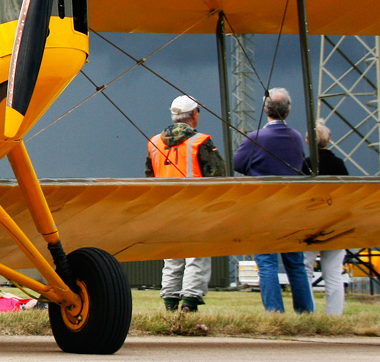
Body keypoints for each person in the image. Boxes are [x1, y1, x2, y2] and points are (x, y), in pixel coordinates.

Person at [233, 87, 315, 313]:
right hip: (290, 206)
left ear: (265, 109)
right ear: (288, 111)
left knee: (267, 263)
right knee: (295, 264)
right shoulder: (297, 137)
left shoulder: (255, 138)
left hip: (263, 207)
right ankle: (305, 312)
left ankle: (274, 312)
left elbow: (238, 164)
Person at [145, 95, 226, 313]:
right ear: (194, 115)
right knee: (196, 256)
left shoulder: (154, 142)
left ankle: (170, 304)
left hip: (166, 208)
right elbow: (218, 176)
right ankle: (189, 304)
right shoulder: (200, 141)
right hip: (195, 208)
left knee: (172, 256)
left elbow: (149, 176)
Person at [303, 119, 348, 315]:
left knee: (305, 271)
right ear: (328, 141)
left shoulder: (306, 165)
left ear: (308, 141)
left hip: (310, 224)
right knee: (334, 273)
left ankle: (307, 313)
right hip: (336, 222)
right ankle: (334, 316)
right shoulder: (339, 164)